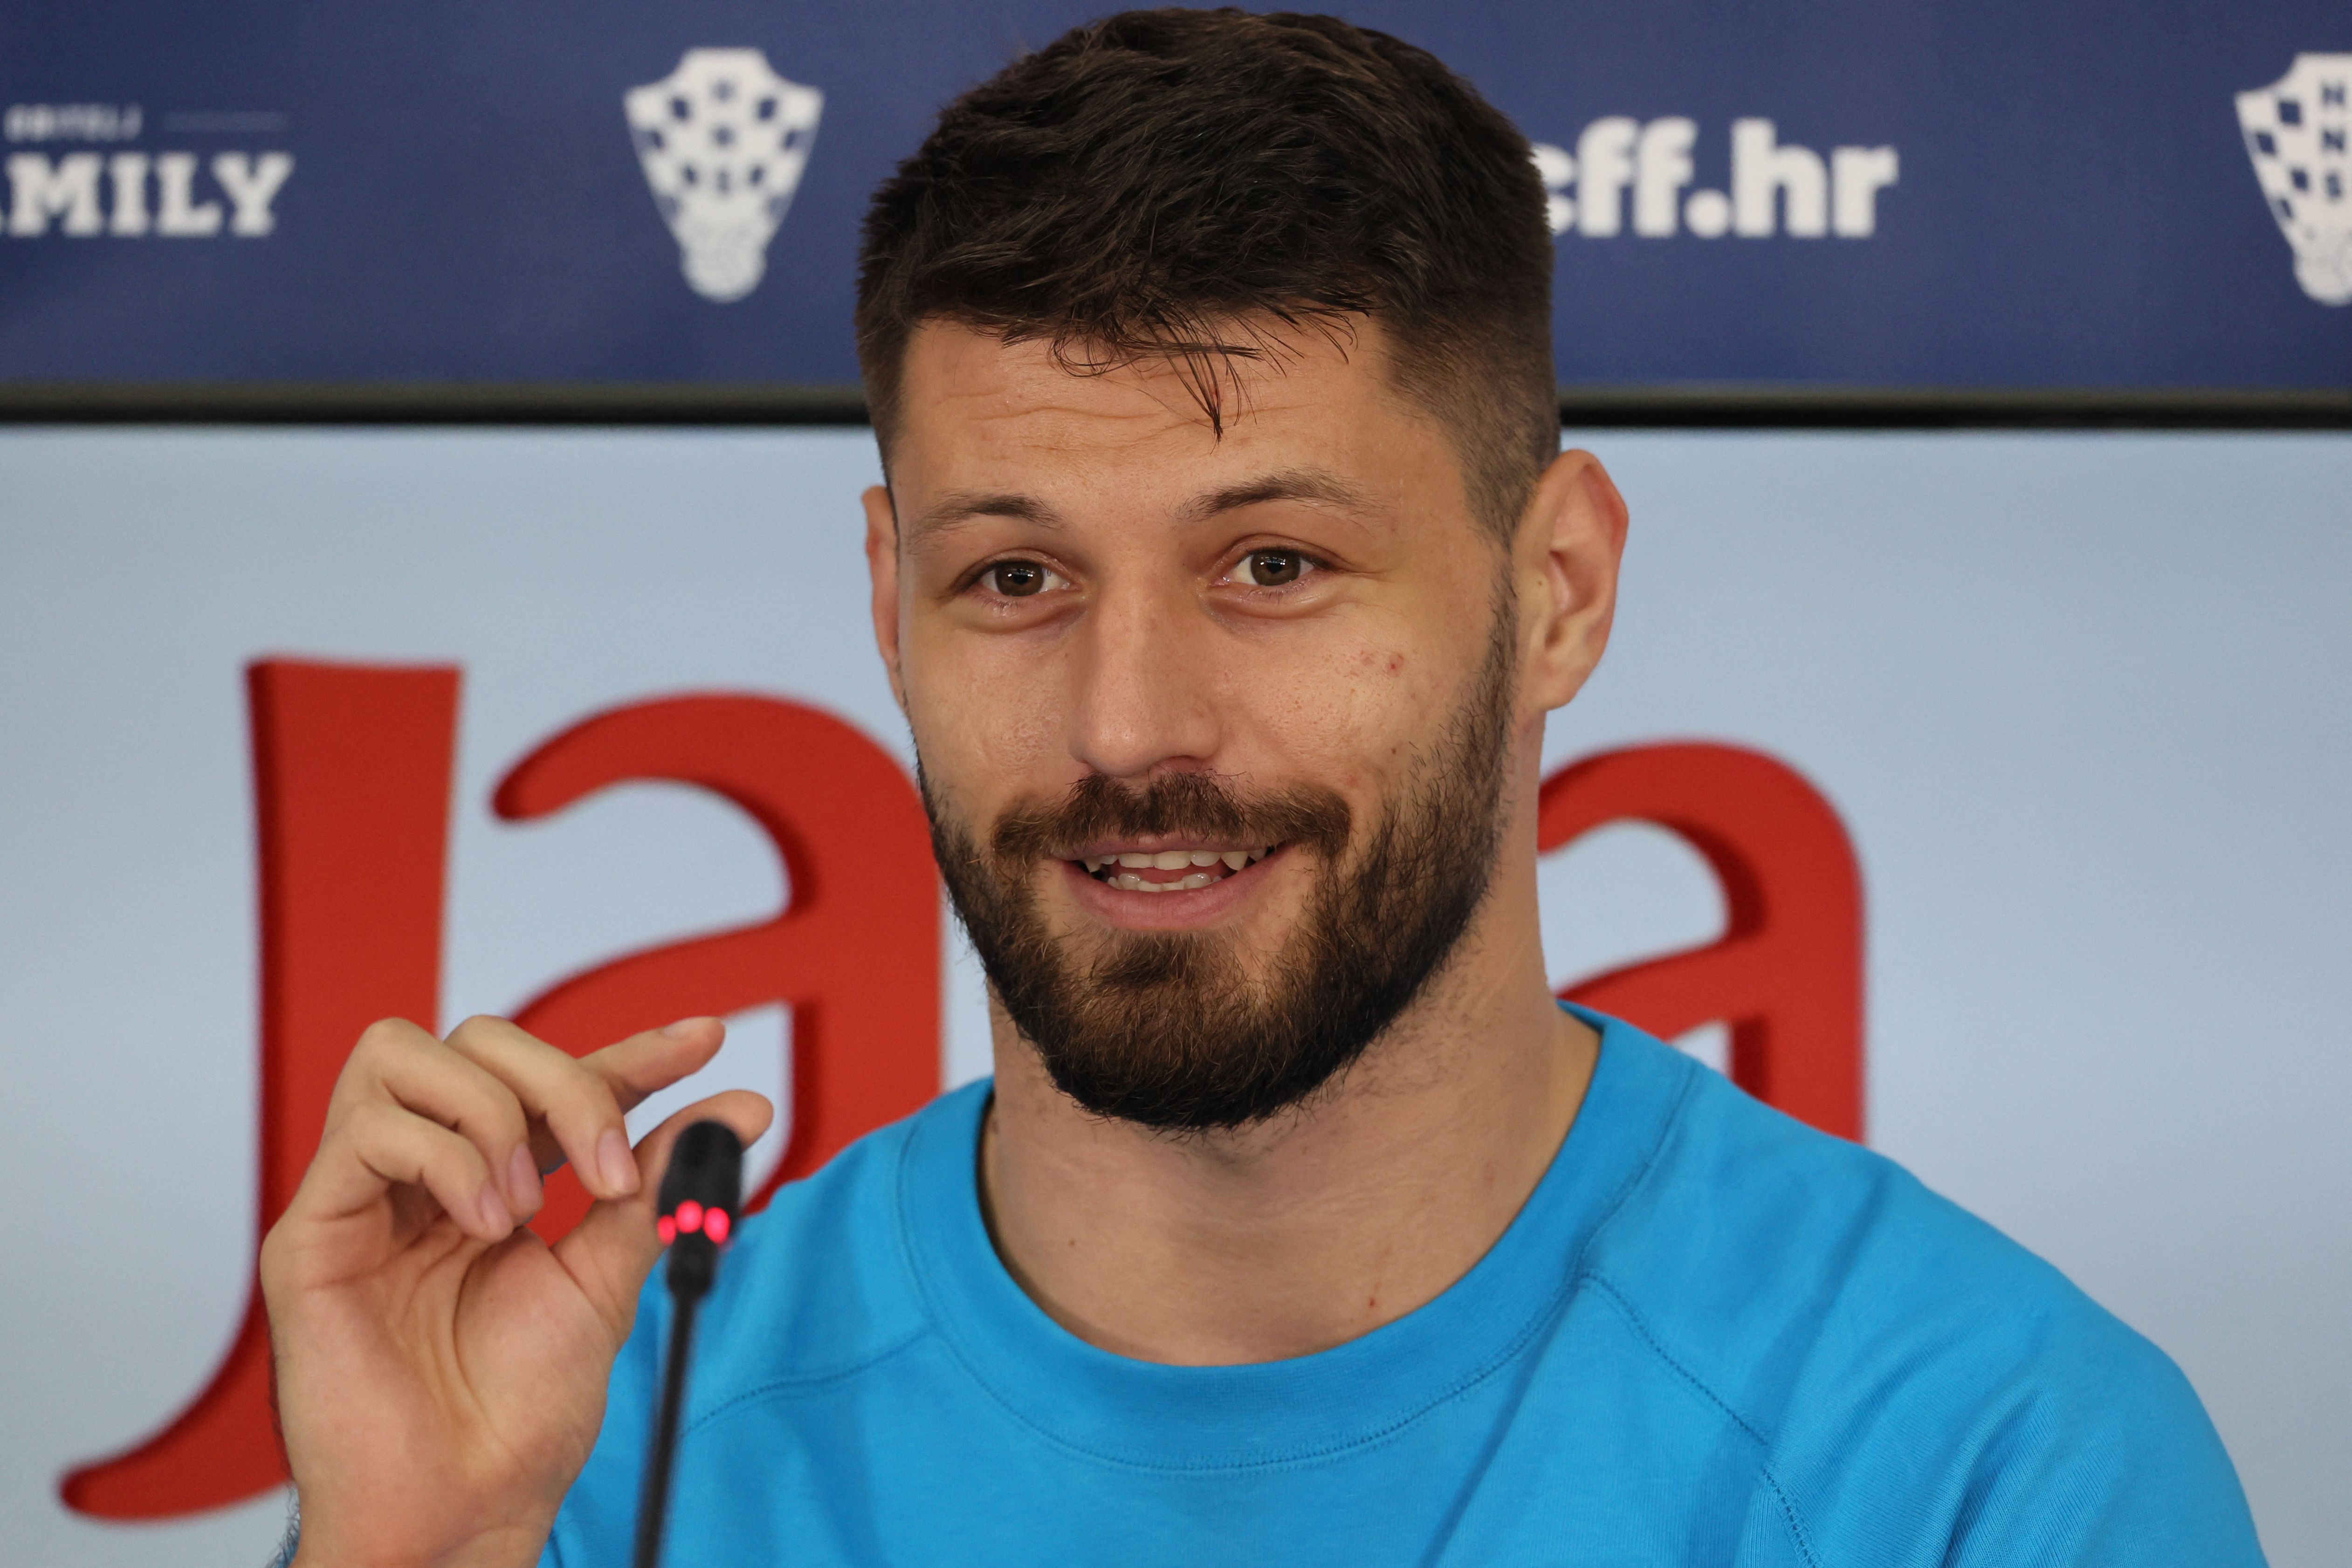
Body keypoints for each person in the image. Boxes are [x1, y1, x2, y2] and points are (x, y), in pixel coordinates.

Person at [260, 10, 2266, 1565]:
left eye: (1273, 565)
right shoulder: (614, 1429)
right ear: (888, 605)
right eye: (1016, 577)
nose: (1133, 723)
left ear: (1554, 589)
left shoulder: (1978, 1463)